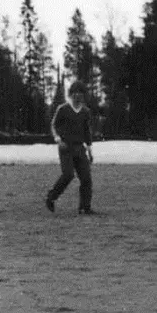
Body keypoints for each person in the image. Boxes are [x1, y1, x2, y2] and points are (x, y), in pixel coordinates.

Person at [47, 82, 96, 215]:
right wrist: (58, 140)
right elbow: (53, 126)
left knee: (86, 178)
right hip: (66, 148)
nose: (77, 95)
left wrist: (90, 149)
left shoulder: (86, 112)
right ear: (71, 94)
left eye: (80, 93)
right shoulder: (63, 109)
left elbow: (87, 131)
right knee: (68, 175)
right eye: (75, 93)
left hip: (80, 148)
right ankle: (51, 197)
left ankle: (85, 207)